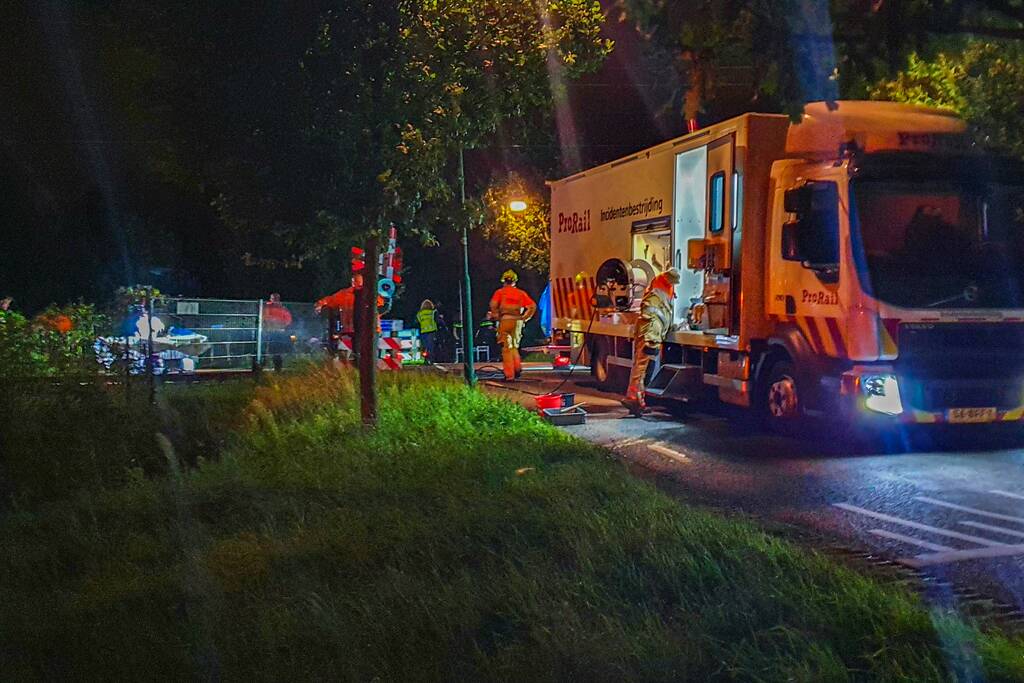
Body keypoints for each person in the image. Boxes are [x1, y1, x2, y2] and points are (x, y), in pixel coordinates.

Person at [622, 267, 681, 416]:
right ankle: (634, 399)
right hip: (650, 336)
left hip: (649, 334)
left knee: (641, 368)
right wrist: (653, 339)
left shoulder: (660, 289)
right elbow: (653, 317)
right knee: (642, 369)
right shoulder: (659, 290)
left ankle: (637, 400)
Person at [489, 269, 536, 380]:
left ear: (504, 281)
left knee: (506, 348)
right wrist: (525, 318)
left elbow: (493, 305)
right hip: (517, 321)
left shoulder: (500, 293)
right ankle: (517, 369)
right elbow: (532, 306)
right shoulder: (520, 293)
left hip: (505, 320)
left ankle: (509, 375)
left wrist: (496, 316)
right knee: (515, 347)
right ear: (515, 281)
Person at [262, 293, 293, 371]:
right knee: (269, 349)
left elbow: (288, 320)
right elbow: (265, 318)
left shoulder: (282, 308)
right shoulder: (268, 307)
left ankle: (276, 367)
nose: (274, 300)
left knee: (276, 350)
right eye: (273, 298)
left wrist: (280, 324)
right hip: (271, 331)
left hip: (278, 332)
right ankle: (264, 365)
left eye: (275, 298)